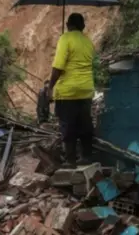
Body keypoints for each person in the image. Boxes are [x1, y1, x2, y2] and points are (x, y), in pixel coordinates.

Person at [48, 13, 95, 167]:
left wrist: (50, 87)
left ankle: (70, 160)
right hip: (86, 89)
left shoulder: (65, 39)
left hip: (68, 91)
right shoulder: (88, 42)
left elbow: (58, 67)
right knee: (84, 123)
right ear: (83, 26)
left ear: (68, 25)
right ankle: (86, 157)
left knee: (68, 126)